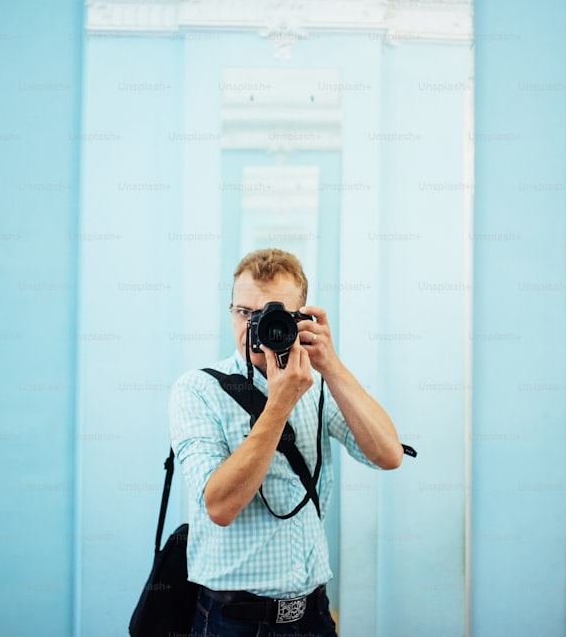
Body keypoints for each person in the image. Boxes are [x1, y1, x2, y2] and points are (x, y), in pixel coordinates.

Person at [169, 248, 405, 637]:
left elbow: (387, 455)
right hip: (232, 621)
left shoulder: (317, 385)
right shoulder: (198, 389)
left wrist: (331, 365)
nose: (254, 325)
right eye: (244, 312)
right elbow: (220, 505)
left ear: (300, 319)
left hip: (312, 614)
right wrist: (279, 403)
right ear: (230, 311)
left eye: (269, 314)